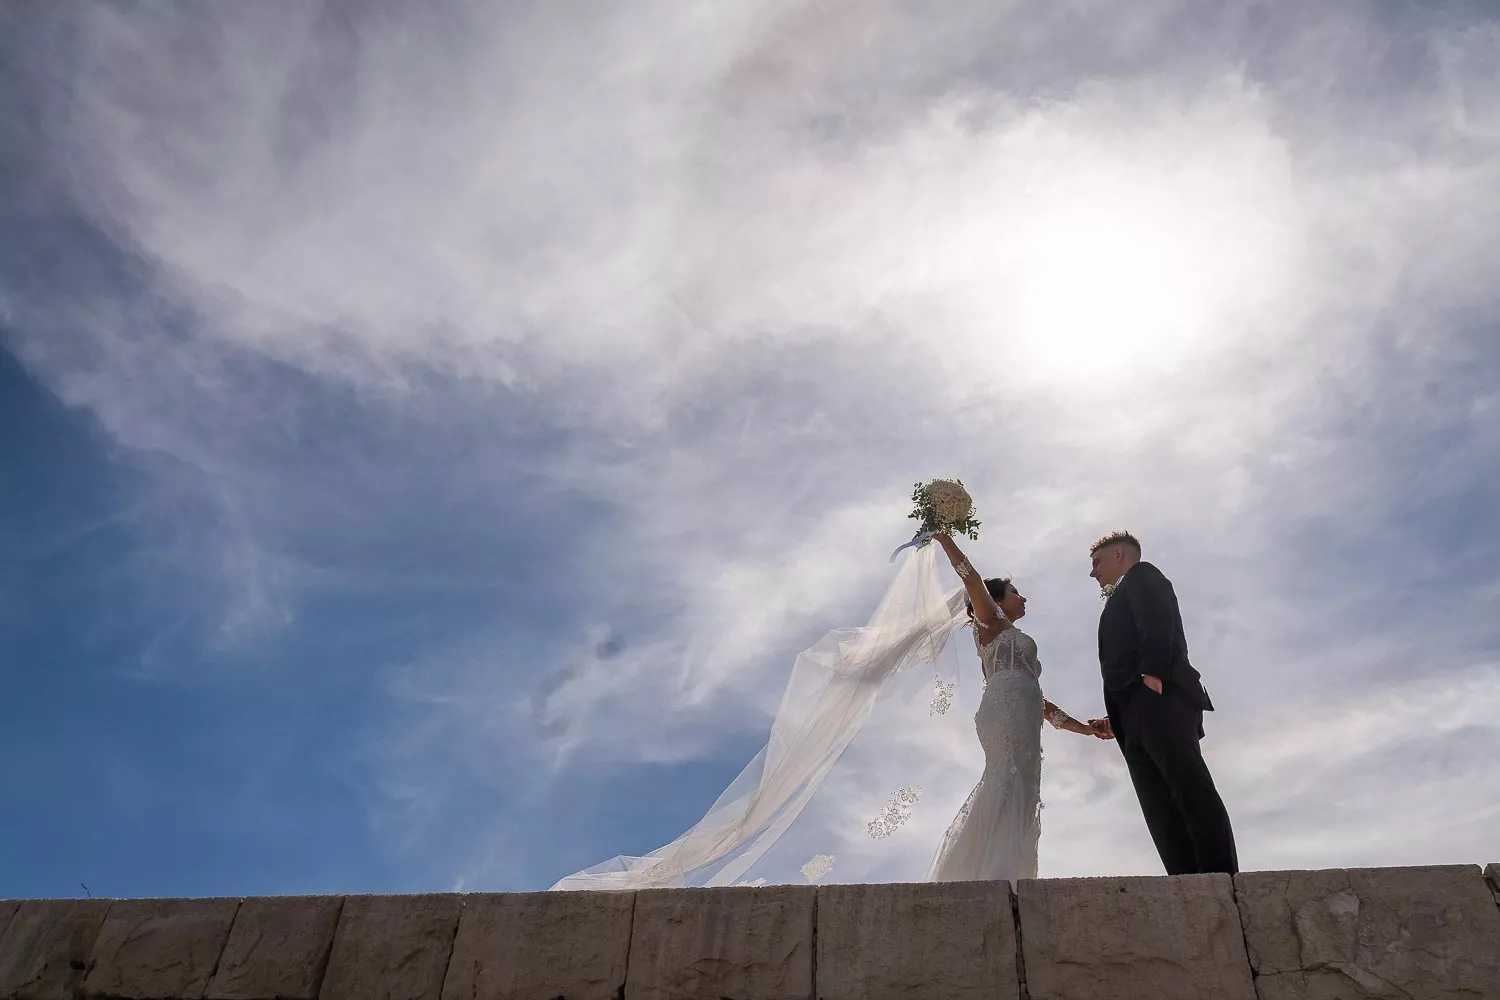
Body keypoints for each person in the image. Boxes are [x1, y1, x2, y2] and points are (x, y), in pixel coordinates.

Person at [926, 532, 1111, 883]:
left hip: (1024, 710)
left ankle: (1008, 877)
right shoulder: (991, 623)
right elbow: (971, 578)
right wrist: (944, 536)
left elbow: (1042, 703)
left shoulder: (1007, 637)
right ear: (996, 601)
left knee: (1024, 785)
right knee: (1007, 780)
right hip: (1005, 710)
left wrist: (1085, 729)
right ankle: (993, 877)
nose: (1022, 597)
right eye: (1014, 592)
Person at [1088, 531, 1239, 875]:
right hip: (1132, 717)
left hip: (1159, 699)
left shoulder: (1143, 575)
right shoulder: (1118, 597)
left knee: (1189, 785)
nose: (1093, 572)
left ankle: (1221, 876)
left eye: (1097, 562)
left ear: (1119, 555)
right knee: (1157, 803)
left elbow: (1156, 619)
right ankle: (1185, 880)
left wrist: (1153, 673)